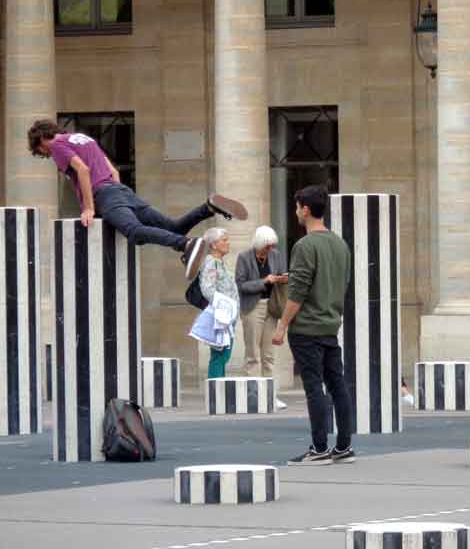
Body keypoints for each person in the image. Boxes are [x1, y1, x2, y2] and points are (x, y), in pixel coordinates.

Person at [27, 119, 247, 280]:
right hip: (120, 191)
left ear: (42, 139)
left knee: (134, 231)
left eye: (41, 150)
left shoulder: (57, 146)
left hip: (104, 195)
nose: (45, 154)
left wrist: (89, 208)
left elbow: (82, 171)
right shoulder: (84, 139)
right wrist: (118, 193)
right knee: (173, 226)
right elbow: (112, 170)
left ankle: (187, 245)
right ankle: (209, 207)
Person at [272, 185, 354, 466]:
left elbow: (298, 291)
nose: (296, 211)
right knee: (337, 385)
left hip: (306, 328)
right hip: (330, 325)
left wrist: (282, 325)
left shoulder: (305, 246)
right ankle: (343, 447)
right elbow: (343, 284)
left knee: (313, 388)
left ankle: (319, 448)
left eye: (297, 207)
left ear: (305, 210)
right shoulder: (340, 244)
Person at [236, 225, 288, 409]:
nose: (270, 250)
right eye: (267, 247)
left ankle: (271, 395)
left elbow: (281, 274)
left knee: (269, 355)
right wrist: (264, 281)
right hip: (253, 307)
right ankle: (253, 395)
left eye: (272, 246)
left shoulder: (275, 255)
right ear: (258, 245)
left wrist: (282, 279)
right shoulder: (244, 257)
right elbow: (241, 285)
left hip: (272, 306)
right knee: (253, 354)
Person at [199, 228, 239, 378]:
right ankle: (216, 393)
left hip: (227, 320)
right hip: (221, 319)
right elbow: (207, 289)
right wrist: (224, 307)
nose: (228, 243)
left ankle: (219, 392)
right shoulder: (211, 263)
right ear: (214, 245)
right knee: (219, 357)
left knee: (223, 357)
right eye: (224, 240)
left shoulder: (219, 263)